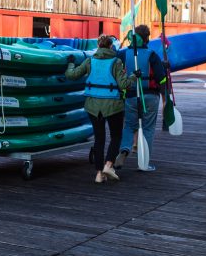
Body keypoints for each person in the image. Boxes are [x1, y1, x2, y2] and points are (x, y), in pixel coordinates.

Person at [65, 35, 137, 184]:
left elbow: (72, 75)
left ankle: (99, 174)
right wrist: (134, 76)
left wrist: (70, 63)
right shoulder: (116, 62)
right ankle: (108, 165)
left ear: (98, 46)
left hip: (93, 106)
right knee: (116, 136)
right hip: (113, 106)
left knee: (99, 139)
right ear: (111, 46)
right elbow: (124, 85)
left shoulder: (89, 61)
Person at [116, 24, 168, 172]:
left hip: (131, 96)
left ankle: (124, 150)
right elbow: (161, 79)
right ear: (147, 39)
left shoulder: (123, 54)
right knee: (148, 129)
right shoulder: (152, 55)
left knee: (129, 126)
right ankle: (144, 163)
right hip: (150, 96)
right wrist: (165, 98)